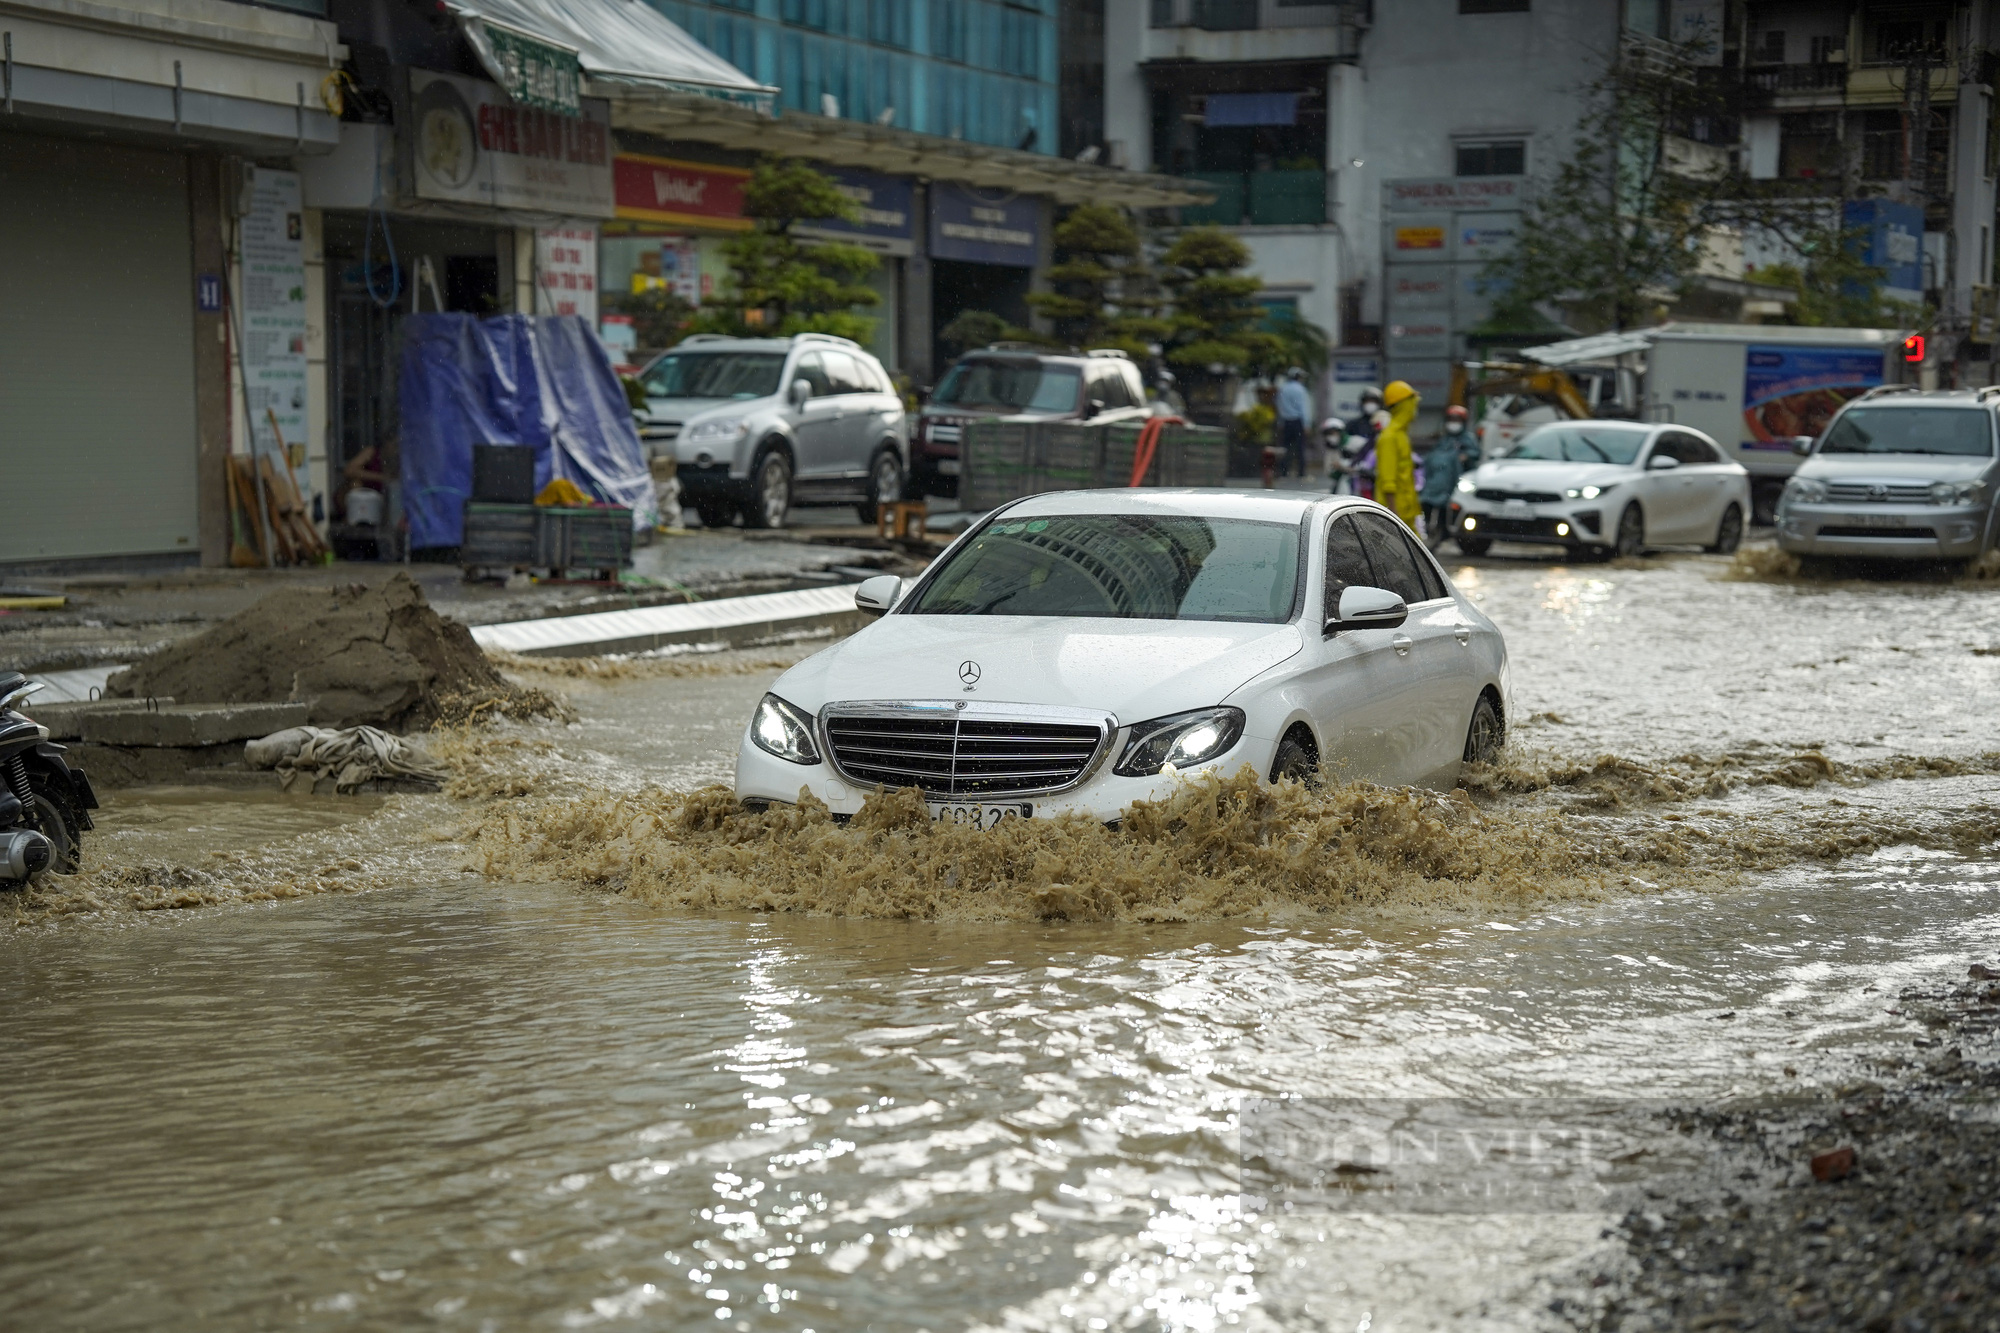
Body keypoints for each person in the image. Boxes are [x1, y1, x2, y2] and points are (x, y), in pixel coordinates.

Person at [1419, 404, 1480, 546]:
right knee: (1426, 504)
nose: (1453, 423)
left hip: (1454, 483)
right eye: (1451, 419)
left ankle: (1443, 531)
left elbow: (1474, 454)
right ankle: (1429, 530)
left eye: (1457, 420)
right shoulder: (1444, 440)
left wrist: (1465, 457)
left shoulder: (1467, 439)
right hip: (1436, 482)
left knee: (1444, 509)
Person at [1374, 380, 1422, 531]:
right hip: (1397, 517)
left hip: (1407, 514)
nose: (1414, 408)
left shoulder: (1401, 435)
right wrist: (1395, 520)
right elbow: (1388, 483)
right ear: (1403, 405)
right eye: (1412, 403)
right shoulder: (1389, 437)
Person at [1276, 367, 1311, 479]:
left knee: (1286, 447)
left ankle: (1284, 471)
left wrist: (1281, 422)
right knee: (1300, 448)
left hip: (1286, 421)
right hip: (1298, 421)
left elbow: (1280, 406)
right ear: (1298, 377)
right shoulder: (1300, 389)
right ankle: (1301, 472)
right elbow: (1304, 408)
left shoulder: (1283, 389)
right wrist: (1306, 424)